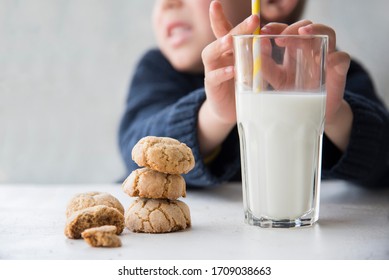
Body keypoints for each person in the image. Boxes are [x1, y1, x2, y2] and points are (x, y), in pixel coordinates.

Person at [119, 0, 389, 188]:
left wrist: (334, 115)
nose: (168, 2)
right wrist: (213, 115)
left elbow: (383, 162)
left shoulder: (327, 70)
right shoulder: (158, 69)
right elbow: (136, 148)